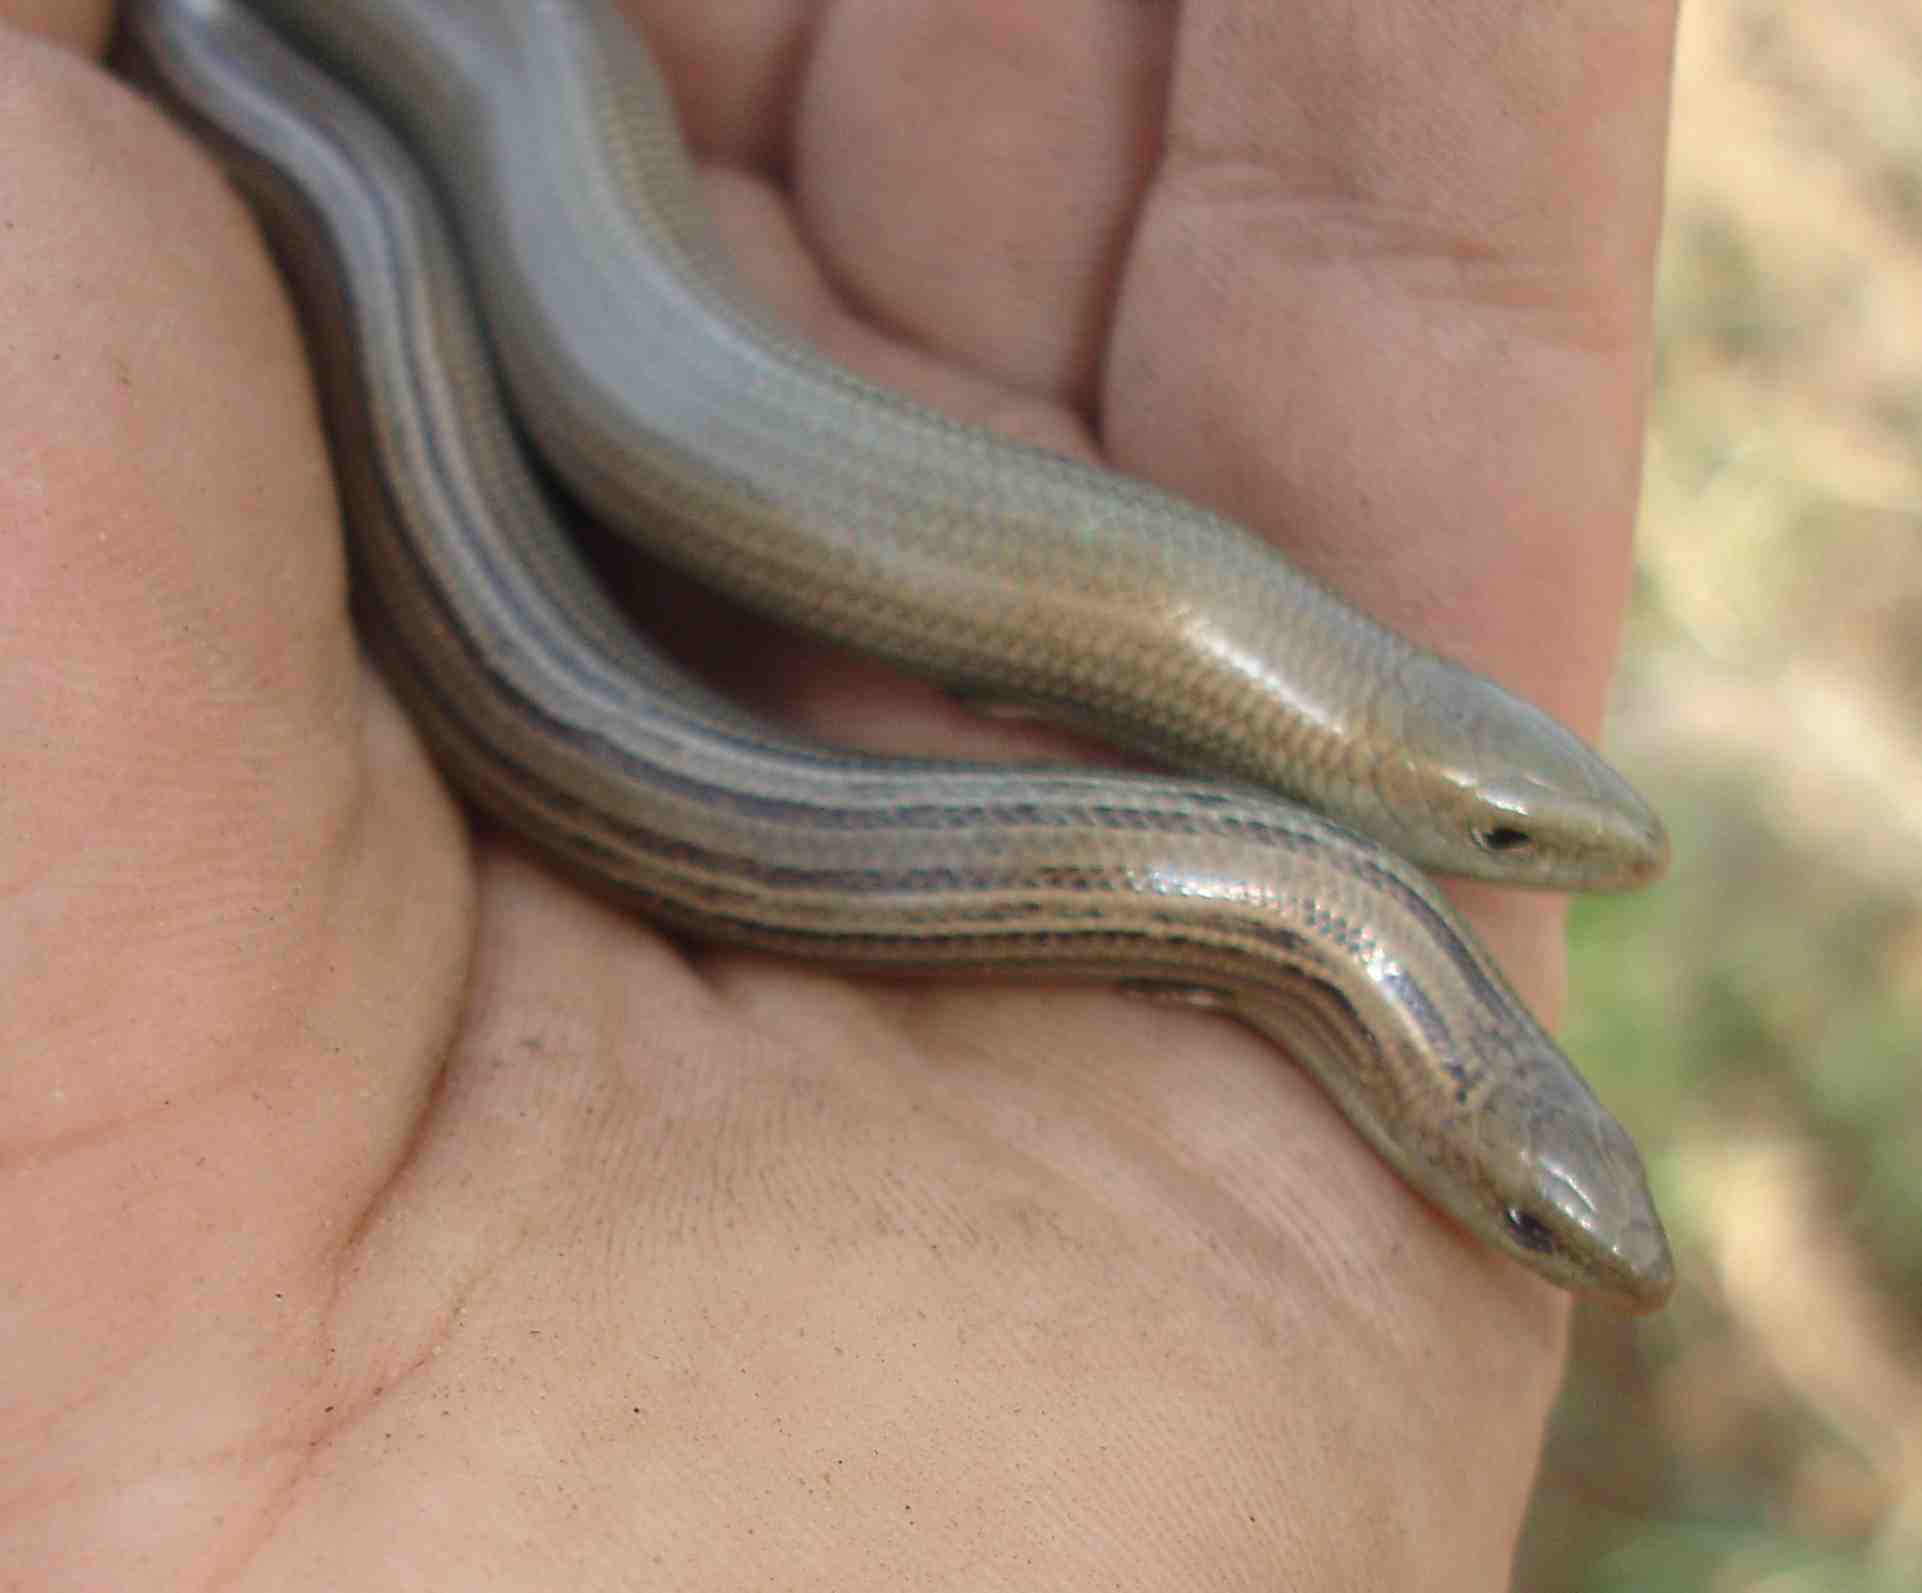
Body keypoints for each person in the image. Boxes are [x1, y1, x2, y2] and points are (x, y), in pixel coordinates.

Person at [4, 1, 1678, 1584]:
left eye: (1530, 1217)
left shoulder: (1300, 894)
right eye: (1499, 838)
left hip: (596, 704)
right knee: (379, 174)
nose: (1529, 868)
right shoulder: (1298, 866)